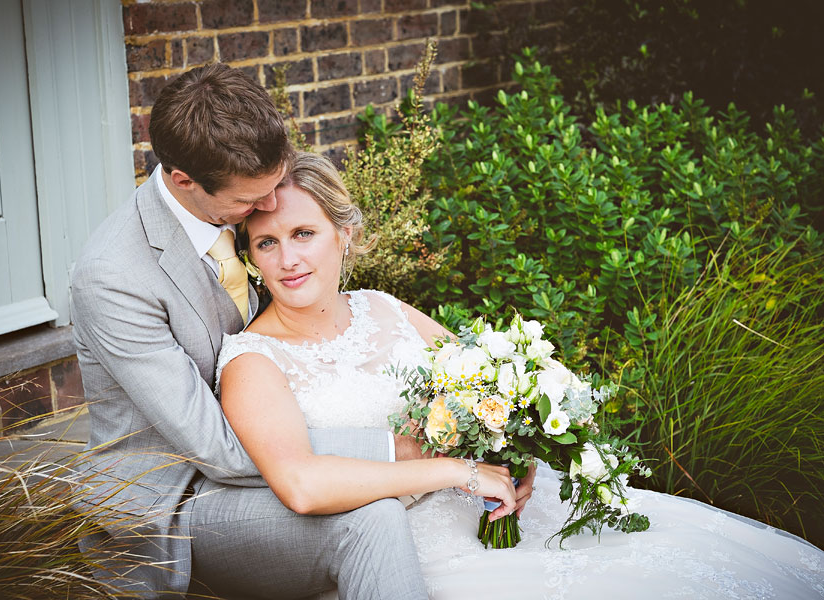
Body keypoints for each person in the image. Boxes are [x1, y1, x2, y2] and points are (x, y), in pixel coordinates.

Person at [216, 151, 824, 599]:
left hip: (492, 509)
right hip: (398, 544)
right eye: (266, 243)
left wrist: (519, 454)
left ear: (344, 234)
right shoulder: (251, 360)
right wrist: (461, 469)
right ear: (250, 255)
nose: (288, 258)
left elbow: (486, 395)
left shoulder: (384, 308)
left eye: (303, 233)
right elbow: (302, 485)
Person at [71, 63, 433, 599]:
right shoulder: (114, 277)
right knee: (370, 514)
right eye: (250, 203)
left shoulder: (241, 209)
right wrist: (390, 447)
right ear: (183, 181)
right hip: (184, 501)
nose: (268, 208)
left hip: (275, 450)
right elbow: (215, 448)